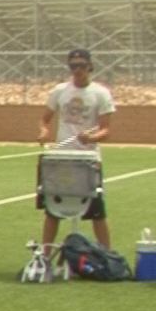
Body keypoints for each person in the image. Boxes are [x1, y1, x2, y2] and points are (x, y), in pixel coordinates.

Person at [37, 47, 115, 251]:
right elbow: (45, 120)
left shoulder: (101, 93)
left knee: (97, 211)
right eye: (73, 66)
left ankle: (107, 254)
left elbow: (106, 130)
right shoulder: (60, 91)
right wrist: (44, 132)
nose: (77, 70)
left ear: (90, 66)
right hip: (62, 158)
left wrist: (92, 137)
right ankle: (45, 254)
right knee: (53, 209)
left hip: (88, 160)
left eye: (81, 66)